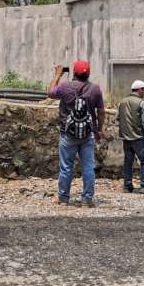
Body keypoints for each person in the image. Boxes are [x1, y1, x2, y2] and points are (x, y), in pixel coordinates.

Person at [48, 61, 105, 207]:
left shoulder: (65, 87)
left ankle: (63, 198)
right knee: (88, 167)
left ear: (74, 72)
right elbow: (101, 112)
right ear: (88, 73)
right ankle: (87, 199)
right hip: (87, 134)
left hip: (67, 134)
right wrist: (99, 129)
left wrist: (57, 75)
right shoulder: (95, 90)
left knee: (66, 167)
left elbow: (50, 93)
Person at [116, 80, 144, 194]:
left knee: (128, 162)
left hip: (126, 137)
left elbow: (117, 118)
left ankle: (127, 186)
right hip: (139, 137)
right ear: (139, 90)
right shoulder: (141, 103)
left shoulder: (121, 102)